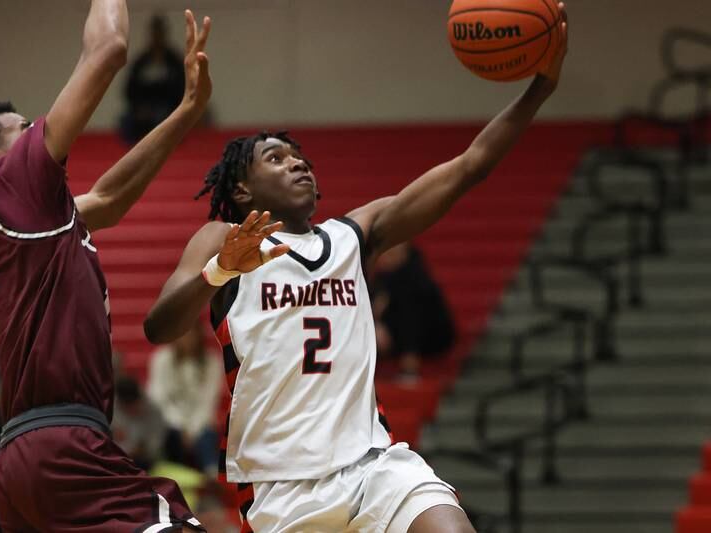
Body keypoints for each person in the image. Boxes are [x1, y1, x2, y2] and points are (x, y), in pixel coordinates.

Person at [144, 5, 568, 532]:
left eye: (301, 158)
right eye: (275, 158)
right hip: (282, 485)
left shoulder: (353, 235)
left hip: (372, 466)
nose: (297, 163)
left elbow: (469, 167)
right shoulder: (220, 239)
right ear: (241, 189)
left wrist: (539, 91)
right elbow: (159, 327)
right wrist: (219, 271)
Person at [0, 2, 213, 531]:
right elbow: (108, 49)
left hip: (24, 458)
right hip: (64, 446)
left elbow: (109, 198)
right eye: (22, 127)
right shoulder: (9, 187)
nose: (39, 127)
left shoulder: (15, 223)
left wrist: (186, 110)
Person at [147, 320, 222, 479]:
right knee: (167, 438)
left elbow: (208, 402)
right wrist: (180, 427)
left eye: (191, 334)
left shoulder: (212, 363)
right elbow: (158, 399)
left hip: (201, 426)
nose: (186, 339)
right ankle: (173, 477)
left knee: (207, 437)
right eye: (182, 334)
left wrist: (192, 431)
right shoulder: (161, 359)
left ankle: (211, 477)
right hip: (170, 424)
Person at [372, 242, 457, 381]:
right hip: (391, 335)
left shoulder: (417, 280)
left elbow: (416, 317)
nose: (385, 256)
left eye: (391, 252)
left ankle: (410, 362)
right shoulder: (381, 278)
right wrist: (375, 325)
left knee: (409, 305)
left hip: (431, 337)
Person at [120, 14, 186, 144]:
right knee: (126, 122)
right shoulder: (141, 61)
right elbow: (129, 90)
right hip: (142, 109)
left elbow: (182, 88)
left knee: (165, 120)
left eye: (160, 33)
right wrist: (140, 107)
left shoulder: (174, 61)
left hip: (167, 109)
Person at [111, 374, 168, 471]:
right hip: (119, 459)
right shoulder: (112, 410)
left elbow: (156, 444)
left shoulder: (153, 410)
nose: (131, 409)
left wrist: (143, 449)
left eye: (133, 404)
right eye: (127, 406)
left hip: (147, 460)